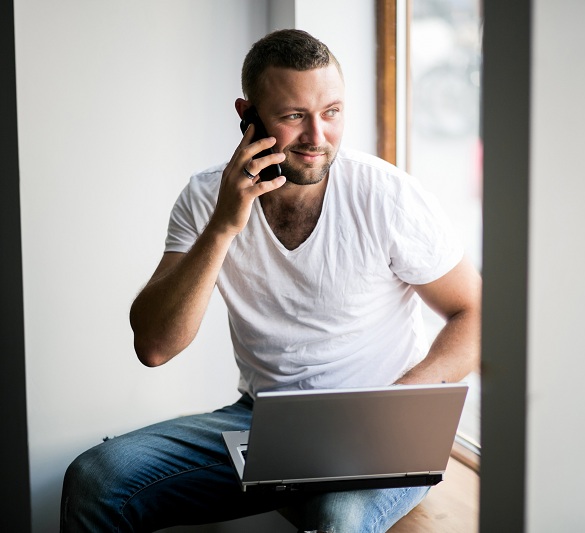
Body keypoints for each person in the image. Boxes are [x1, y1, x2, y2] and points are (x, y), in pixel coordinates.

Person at [60, 28, 481, 532]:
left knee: (336, 519)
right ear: (247, 116)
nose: (318, 138)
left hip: (378, 428)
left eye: (332, 112)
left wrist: (397, 404)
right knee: (96, 478)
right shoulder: (205, 199)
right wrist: (223, 227)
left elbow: (478, 312)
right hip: (264, 422)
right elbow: (154, 346)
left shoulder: (386, 196)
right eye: (293, 116)